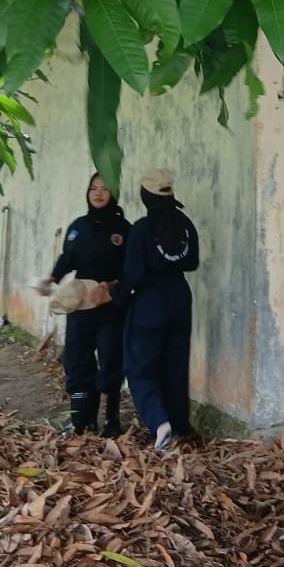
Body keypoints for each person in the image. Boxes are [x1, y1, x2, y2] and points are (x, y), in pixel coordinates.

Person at [35, 173, 129, 437]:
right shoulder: (78, 227)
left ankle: (112, 420)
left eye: (104, 188)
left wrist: (111, 287)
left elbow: (132, 270)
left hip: (111, 306)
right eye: (93, 188)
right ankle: (81, 420)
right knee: (77, 362)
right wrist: (52, 278)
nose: (98, 193)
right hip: (80, 304)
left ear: (113, 194)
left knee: (111, 361)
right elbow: (68, 259)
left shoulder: (124, 229)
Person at [112, 170, 199, 451]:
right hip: (181, 298)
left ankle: (160, 425)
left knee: (139, 366)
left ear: (145, 196)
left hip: (150, 302)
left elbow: (133, 274)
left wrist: (115, 296)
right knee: (176, 365)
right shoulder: (186, 224)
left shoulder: (141, 229)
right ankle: (180, 426)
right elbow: (192, 262)